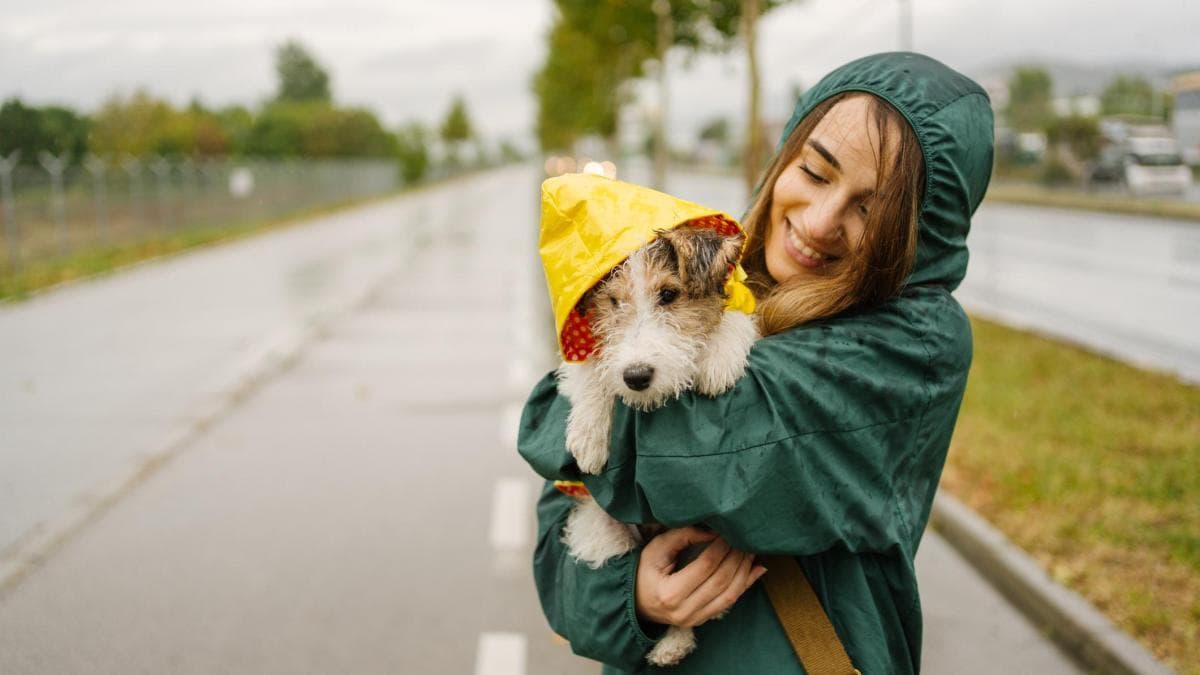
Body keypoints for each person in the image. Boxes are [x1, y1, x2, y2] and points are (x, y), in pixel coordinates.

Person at [518, 51, 995, 674]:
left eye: (870, 210)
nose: (821, 222)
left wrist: (561, 408)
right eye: (816, 173)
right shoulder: (710, 271)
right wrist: (629, 597)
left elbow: (697, 452)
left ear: (916, 237)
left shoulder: (912, 345)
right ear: (785, 158)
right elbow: (562, 523)